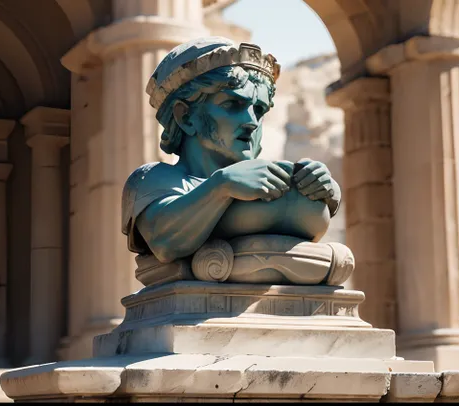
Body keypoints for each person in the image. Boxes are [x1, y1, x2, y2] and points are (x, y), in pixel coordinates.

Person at [122, 37, 341, 265]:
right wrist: (222, 186)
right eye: (232, 105)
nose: (252, 122)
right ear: (185, 116)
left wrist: (324, 188)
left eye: (259, 110)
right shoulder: (152, 179)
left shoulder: (269, 179)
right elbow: (165, 242)